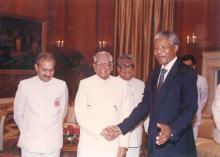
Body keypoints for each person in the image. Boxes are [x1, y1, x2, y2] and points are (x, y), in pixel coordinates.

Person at [103, 31, 198, 157]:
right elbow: (145, 105)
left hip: (177, 146)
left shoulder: (186, 72)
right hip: (155, 146)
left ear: (175, 48)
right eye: (156, 48)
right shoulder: (154, 74)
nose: (159, 51)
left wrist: (172, 130)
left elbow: (190, 108)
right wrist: (120, 128)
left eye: (163, 47)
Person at [74, 51, 131, 157]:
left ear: (112, 66)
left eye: (106, 63)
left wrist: (123, 145)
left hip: (113, 144)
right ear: (94, 66)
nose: (103, 66)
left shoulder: (122, 86)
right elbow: (80, 115)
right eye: (99, 63)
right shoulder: (85, 84)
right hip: (89, 144)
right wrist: (100, 130)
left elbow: (126, 116)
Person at [14, 52, 69, 157]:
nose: (48, 74)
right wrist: (29, 130)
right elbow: (18, 114)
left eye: (51, 70)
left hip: (53, 141)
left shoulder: (61, 85)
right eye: (44, 70)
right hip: (30, 142)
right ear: (36, 67)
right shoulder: (25, 85)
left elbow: (63, 112)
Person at [117, 54, 149, 157]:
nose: (128, 69)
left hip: (135, 136)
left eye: (131, 66)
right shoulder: (112, 83)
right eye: (124, 66)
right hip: (117, 136)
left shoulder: (140, 84)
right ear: (118, 68)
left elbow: (145, 108)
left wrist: (148, 130)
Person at [181, 54, 208, 141]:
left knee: (191, 148)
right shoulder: (177, 80)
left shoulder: (201, 80)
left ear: (194, 66)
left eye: (189, 66)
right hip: (180, 120)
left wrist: (197, 109)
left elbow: (204, 98)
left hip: (194, 121)